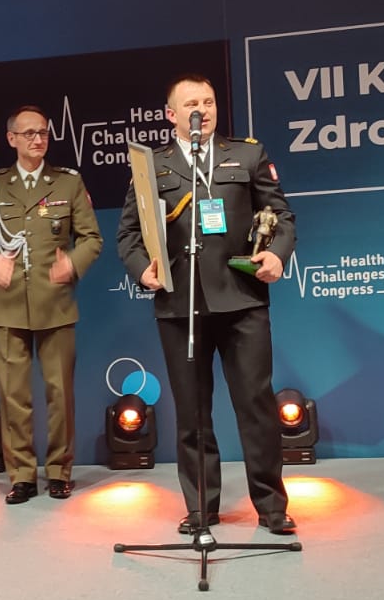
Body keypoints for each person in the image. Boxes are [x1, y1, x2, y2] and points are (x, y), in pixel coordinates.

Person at [117, 75, 298, 536]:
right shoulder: (151, 166)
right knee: (192, 412)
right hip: (181, 303)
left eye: (209, 101)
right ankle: (200, 506)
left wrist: (277, 254)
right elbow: (130, 234)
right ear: (171, 114)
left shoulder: (247, 154)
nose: (203, 110)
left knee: (256, 406)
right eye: (192, 103)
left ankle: (271, 506)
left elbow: (282, 216)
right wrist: (141, 270)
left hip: (242, 298)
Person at [0, 106, 103, 503]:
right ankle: (21, 475)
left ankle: (59, 471)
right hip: (9, 305)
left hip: (55, 303)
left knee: (60, 394)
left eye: (42, 132)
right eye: (28, 134)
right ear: (11, 139)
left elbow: (92, 238)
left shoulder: (67, 182)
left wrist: (72, 265)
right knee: (14, 396)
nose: (37, 139)